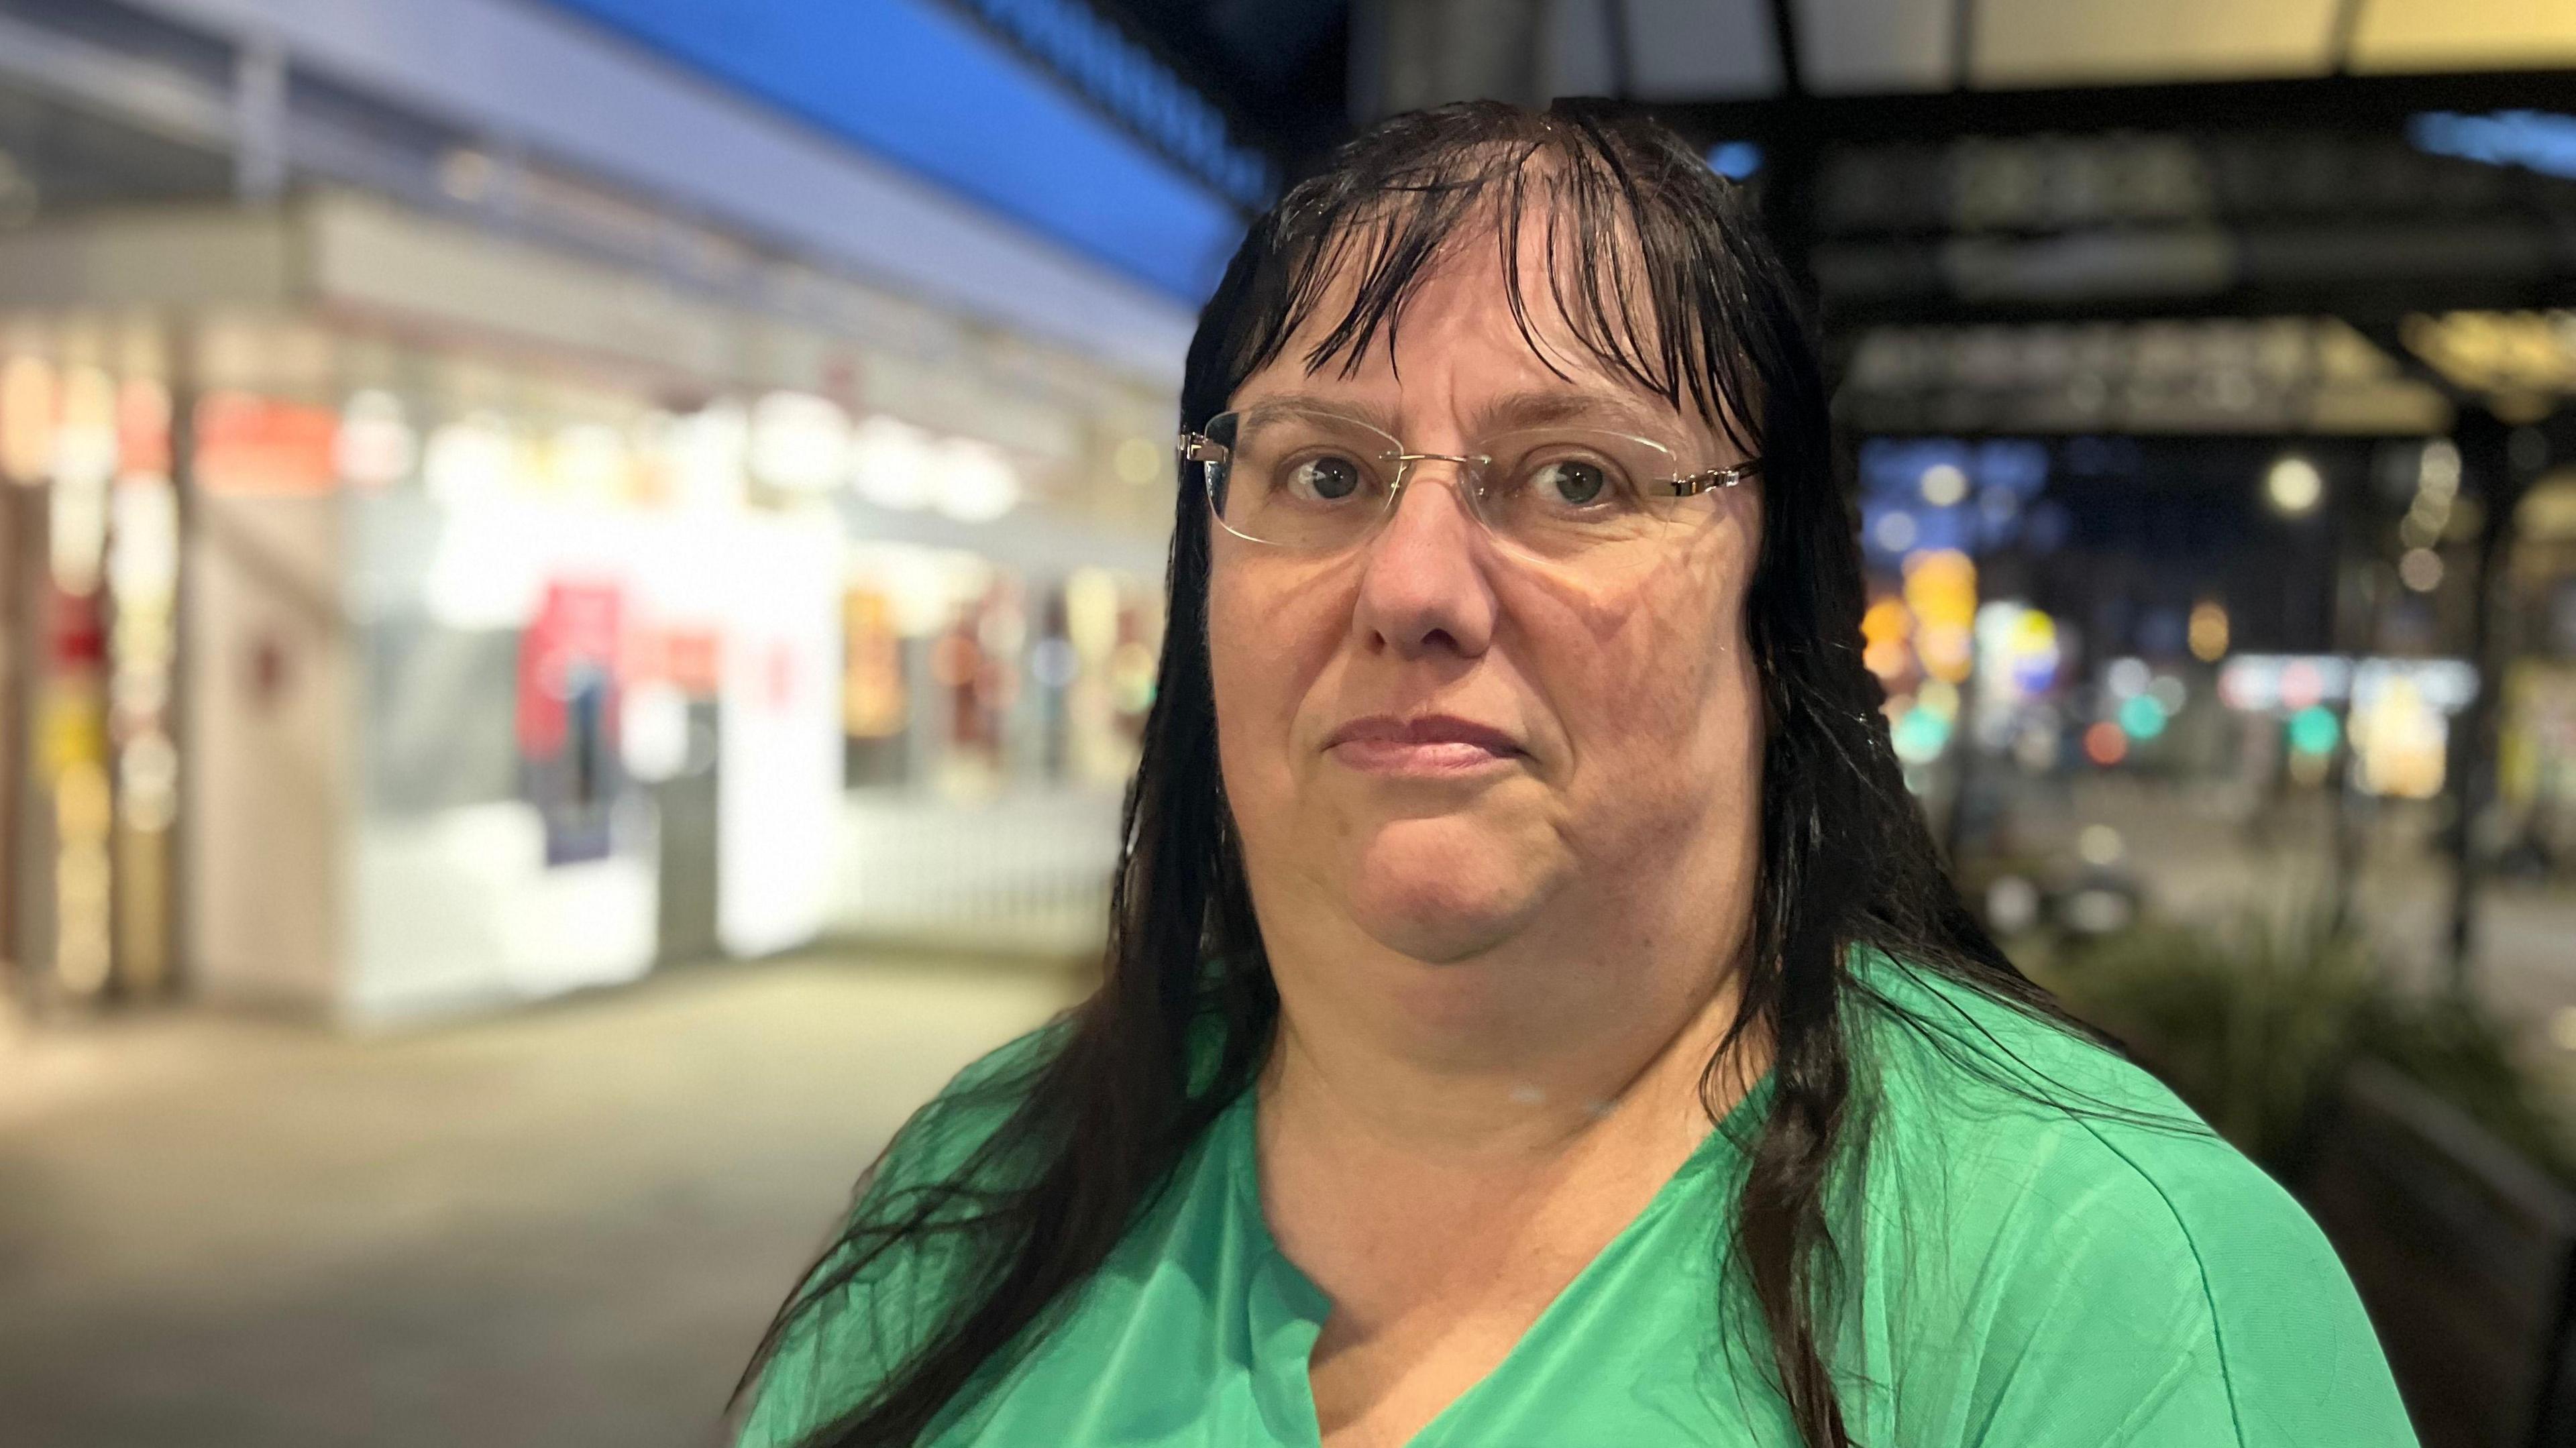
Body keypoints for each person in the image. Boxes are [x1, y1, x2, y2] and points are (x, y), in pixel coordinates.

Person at [733, 100, 2416, 1448]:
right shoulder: (986, 1189)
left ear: (1784, 624)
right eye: (1323, 469)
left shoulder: (2102, 1289)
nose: (1411, 586)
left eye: (1578, 481)